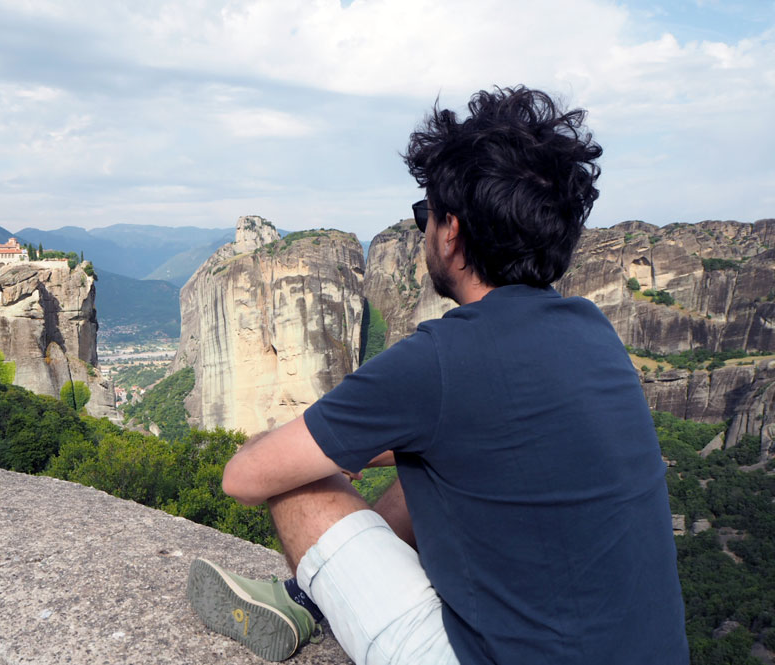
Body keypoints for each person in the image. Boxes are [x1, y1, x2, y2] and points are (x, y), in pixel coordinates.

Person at [187, 86, 689, 665]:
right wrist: (388, 445)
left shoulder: (441, 358)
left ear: (451, 231)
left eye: (425, 215)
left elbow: (245, 479)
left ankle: (310, 600)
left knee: (298, 486)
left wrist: (327, 448)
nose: (423, 231)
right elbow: (485, 437)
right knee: (433, 457)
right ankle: (310, 598)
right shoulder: (593, 330)